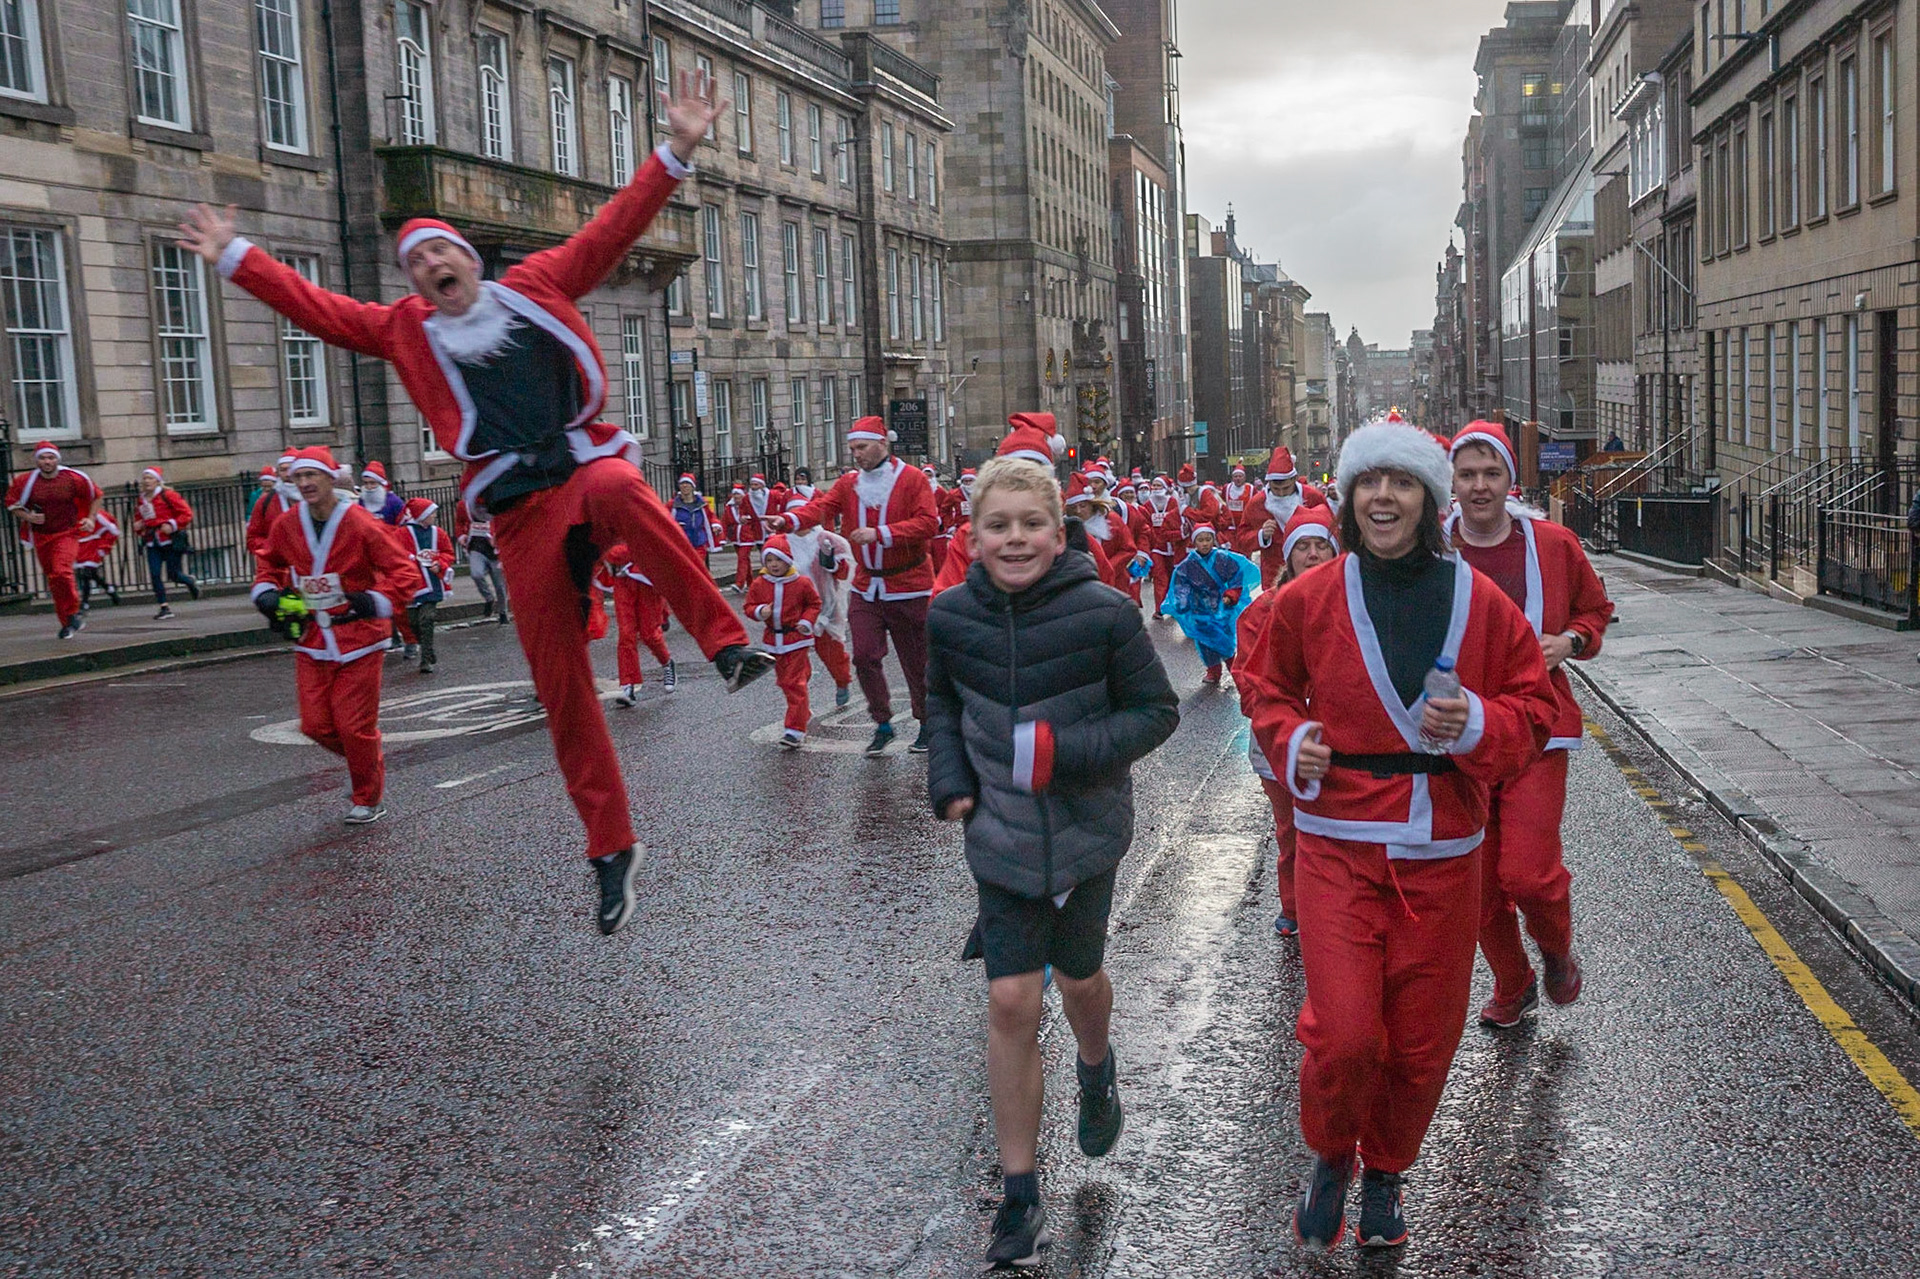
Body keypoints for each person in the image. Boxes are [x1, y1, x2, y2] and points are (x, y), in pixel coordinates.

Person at [180, 72, 771, 935]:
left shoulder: (536, 283)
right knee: (560, 682)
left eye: (439, 253)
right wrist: (239, 257)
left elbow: (616, 227)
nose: (430, 266)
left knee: (618, 486)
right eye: (414, 262)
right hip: (517, 512)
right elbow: (319, 310)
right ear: (414, 283)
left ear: (468, 256)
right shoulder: (405, 331)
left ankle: (725, 644)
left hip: (576, 467)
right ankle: (611, 849)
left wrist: (677, 147)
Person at [1240, 420, 1556, 1251]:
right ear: (1347, 498)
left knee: (1423, 1040)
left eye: (1402, 483)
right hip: (1338, 843)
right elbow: (1267, 690)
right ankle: (1331, 1154)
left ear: (1428, 500)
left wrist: (1480, 719)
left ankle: (1385, 1171)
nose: (1384, 496)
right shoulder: (1306, 598)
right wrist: (1289, 738)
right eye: (1368, 482)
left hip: (1445, 851)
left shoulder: (1478, 602)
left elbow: (1535, 707)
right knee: (1345, 1033)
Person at [926, 454, 1179, 1269]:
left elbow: (1156, 711)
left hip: (1085, 832)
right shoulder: (949, 617)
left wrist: (1065, 750)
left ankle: (1097, 1069)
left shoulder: (1104, 613)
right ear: (972, 535)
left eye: (1031, 523)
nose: (1016, 538)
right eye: (997, 525)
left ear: (1058, 528)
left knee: (1077, 980)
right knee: (1009, 997)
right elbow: (941, 703)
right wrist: (952, 780)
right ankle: (1020, 1194)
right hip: (999, 833)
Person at [1449, 422, 1610, 1027]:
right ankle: (1513, 983)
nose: (1480, 486)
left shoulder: (1552, 544)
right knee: (1478, 886)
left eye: (1492, 473)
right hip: (1457, 734)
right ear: (1453, 483)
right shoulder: (1432, 546)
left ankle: (1556, 949)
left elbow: (1596, 610)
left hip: (1537, 728)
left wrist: (1569, 639)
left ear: (1510, 480)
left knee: (1528, 871)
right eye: (1467, 474)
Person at [252, 446, 423, 824]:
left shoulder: (360, 522)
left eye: (312, 475)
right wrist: (266, 594)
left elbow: (406, 574)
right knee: (315, 726)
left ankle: (368, 795)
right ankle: (368, 765)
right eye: (297, 477)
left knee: (353, 726)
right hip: (312, 638)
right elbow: (268, 562)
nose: (304, 483)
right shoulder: (287, 524)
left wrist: (370, 600)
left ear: (331, 478)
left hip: (360, 637)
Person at [773, 415, 942, 756]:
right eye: (852, 449)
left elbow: (928, 523)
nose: (857, 455)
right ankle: (882, 723)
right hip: (867, 585)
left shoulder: (911, 479)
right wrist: (789, 520)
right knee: (864, 655)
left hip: (908, 582)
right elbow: (822, 507)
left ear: (883, 443)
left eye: (862, 447)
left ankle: (927, 722)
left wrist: (881, 534)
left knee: (916, 661)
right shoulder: (849, 483)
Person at [1232, 507, 1340, 938]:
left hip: (1339, 736)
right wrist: (1279, 719)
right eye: (1303, 547)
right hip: (1282, 739)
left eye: (1321, 546)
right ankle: (1294, 906)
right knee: (1292, 826)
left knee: (1337, 825)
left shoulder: (1354, 600)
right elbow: (1247, 675)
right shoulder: (1265, 610)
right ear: (1289, 556)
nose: (1313, 555)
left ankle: (1335, 907)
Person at [6, 442, 102, 638]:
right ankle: (66, 622)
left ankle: (74, 611)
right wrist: (28, 517)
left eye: (51, 458)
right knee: (54, 580)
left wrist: (91, 518)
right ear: (37, 461)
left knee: (62, 570)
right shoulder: (26, 481)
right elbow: (11, 503)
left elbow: (97, 495)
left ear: (57, 459)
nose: (47, 462)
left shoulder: (73, 478)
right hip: (42, 536)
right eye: (43, 458)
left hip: (67, 533)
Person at [744, 534, 824, 748]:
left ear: (787, 559)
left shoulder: (801, 582)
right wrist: (761, 611)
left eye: (777, 560)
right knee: (784, 681)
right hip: (773, 640)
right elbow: (749, 606)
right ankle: (803, 709)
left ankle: (795, 730)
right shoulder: (760, 583)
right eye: (769, 560)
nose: (773, 565)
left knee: (793, 682)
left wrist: (806, 622)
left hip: (797, 638)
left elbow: (814, 604)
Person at [1163, 524, 1260, 685]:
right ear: (1194, 543)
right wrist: (1183, 603)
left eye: (1208, 539)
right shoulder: (1187, 565)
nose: (1205, 543)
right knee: (1205, 642)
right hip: (1200, 609)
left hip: (1224, 607)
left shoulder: (1224, 558)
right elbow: (1181, 587)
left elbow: (1237, 578)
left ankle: (1233, 668)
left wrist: (1231, 595)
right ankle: (1213, 671)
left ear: (1213, 539)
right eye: (1201, 540)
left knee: (1226, 641)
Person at [782, 494, 854, 708]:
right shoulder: (782, 542)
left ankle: (842, 681)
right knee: (795, 658)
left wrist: (832, 563)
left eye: (801, 513)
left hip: (824, 607)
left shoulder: (827, 540)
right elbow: (769, 571)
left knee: (832, 652)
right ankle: (799, 698)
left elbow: (844, 573)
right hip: (794, 609)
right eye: (793, 514)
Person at [1235, 447, 1329, 589]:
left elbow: (1332, 531)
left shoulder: (1312, 497)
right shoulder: (1257, 503)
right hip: (1274, 576)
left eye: (1286, 488)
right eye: (1276, 489)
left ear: (1294, 479)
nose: (1281, 493)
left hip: (1312, 570)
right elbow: (1242, 539)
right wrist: (1261, 536)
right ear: (1269, 483)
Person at [602, 543, 677, 705]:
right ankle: (628, 685)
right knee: (626, 634)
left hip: (647, 581)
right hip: (623, 581)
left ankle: (667, 663)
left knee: (649, 634)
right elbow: (608, 550)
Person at [395, 496, 454, 674]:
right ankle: (427, 648)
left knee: (427, 619)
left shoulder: (438, 533)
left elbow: (448, 552)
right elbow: (393, 553)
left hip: (432, 584)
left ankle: (426, 659)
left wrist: (440, 564)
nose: (435, 516)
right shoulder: (401, 534)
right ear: (421, 515)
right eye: (432, 513)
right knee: (413, 622)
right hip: (411, 585)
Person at [131, 466, 199, 620]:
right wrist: (138, 526)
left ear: (157, 481)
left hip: (170, 540)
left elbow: (186, 513)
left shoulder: (168, 495)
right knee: (155, 574)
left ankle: (189, 581)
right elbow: (139, 518)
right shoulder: (141, 499)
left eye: (150, 478)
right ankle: (164, 607)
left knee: (173, 575)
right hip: (151, 541)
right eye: (145, 478)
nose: (147, 481)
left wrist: (172, 524)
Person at [1135, 475, 1185, 619]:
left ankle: (1173, 606)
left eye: (1159, 486)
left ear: (1166, 488)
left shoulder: (1173, 503)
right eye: (1154, 486)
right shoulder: (1147, 506)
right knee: (1160, 577)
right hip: (1157, 547)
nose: (1156, 489)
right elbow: (1145, 527)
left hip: (1174, 547)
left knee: (1173, 578)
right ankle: (1160, 609)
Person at [455, 498, 510, 624]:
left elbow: (506, 521)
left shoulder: (497, 500)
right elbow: (459, 522)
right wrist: (461, 536)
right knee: (476, 573)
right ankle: (489, 598)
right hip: (476, 547)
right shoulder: (464, 505)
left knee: (500, 586)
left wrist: (497, 536)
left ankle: (503, 612)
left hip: (495, 551)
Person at [246, 455, 300, 572]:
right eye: (283, 470)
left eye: (290, 469)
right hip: (279, 573)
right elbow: (252, 538)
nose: (287, 475)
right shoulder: (264, 502)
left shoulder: (316, 500)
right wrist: (272, 548)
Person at [670, 474, 717, 581]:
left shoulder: (702, 503)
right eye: (682, 484)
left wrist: (715, 525)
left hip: (698, 542)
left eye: (687, 484)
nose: (684, 486)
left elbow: (711, 517)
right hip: (681, 543)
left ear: (693, 487)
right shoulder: (673, 505)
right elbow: (663, 517)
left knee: (697, 568)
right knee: (684, 570)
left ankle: (702, 592)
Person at [74, 507, 122, 612]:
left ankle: (85, 602)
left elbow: (112, 528)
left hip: (92, 546)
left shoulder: (95, 513)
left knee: (86, 574)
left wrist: (104, 546)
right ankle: (108, 588)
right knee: (90, 574)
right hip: (78, 546)